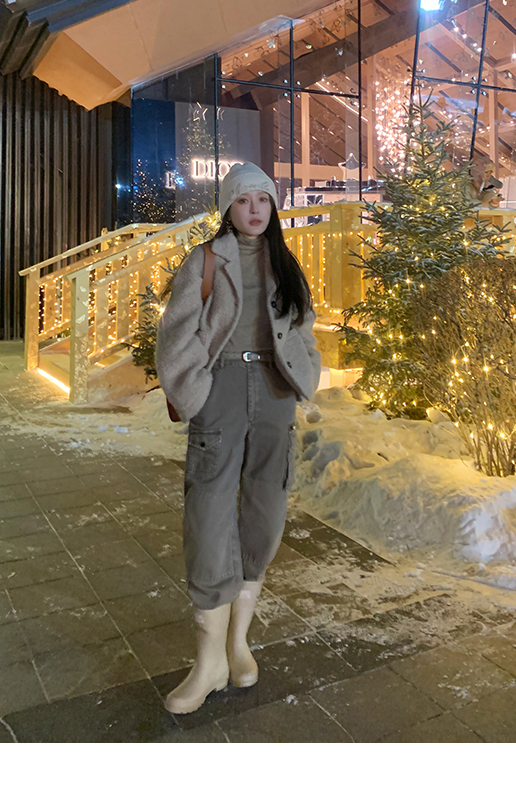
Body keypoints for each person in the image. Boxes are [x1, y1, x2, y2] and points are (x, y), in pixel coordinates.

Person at [155, 162, 322, 714]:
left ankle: (238, 644)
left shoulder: (285, 263)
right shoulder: (205, 260)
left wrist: (305, 373)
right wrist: (195, 391)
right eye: (244, 200)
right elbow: (176, 331)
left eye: (264, 200)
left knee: (266, 510)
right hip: (221, 388)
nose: (255, 210)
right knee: (208, 510)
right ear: (228, 207)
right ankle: (209, 661)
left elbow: (303, 327)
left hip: (275, 392)